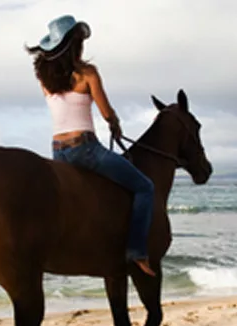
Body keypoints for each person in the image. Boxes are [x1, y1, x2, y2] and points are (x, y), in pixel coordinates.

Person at [25, 15, 156, 277]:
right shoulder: (87, 74)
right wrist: (115, 125)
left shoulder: (44, 78)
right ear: (75, 45)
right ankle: (137, 251)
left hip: (58, 152)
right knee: (145, 187)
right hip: (85, 149)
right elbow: (106, 111)